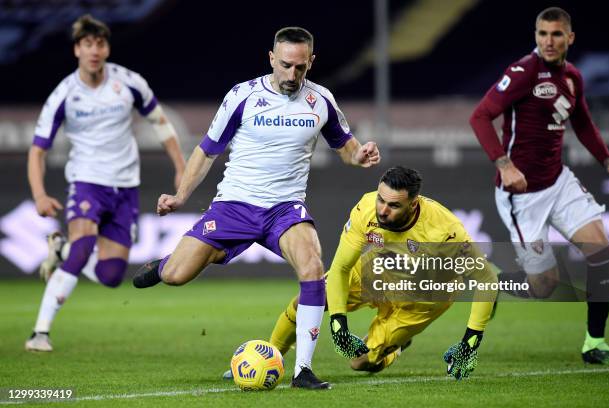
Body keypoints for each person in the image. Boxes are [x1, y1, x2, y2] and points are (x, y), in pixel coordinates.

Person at [132, 27, 380, 389]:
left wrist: (360, 155)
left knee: (313, 267)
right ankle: (167, 265)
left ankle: (303, 371)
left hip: (285, 209)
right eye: (285, 65)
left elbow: (346, 146)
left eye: (300, 67)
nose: (292, 75)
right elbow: (207, 150)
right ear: (271, 59)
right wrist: (181, 196)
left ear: (311, 62)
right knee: (176, 276)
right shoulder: (243, 96)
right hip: (234, 205)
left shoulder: (321, 100)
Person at [223, 166, 497, 380]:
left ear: (413, 205)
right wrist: (338, 323)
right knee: (308, 300)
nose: (382, 210)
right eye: (381, 199)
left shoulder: (445, 232)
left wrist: (470, 342)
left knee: (361, 363)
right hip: (378, 270)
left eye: (393, 205)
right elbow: (341, 268)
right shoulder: (366, 208)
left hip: (422, 296)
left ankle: (396, 346)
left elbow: (486, 280)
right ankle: (267, 357)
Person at [25, 14, 186, 352]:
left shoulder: (129, 83)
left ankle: (62, 249)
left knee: (111, 275)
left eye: (100, 44)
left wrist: (180, 166)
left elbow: (161, 124)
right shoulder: (65, 94)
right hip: (86, 182)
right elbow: (38, 150)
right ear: (77, 50)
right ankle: (40, 332)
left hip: (125, 187)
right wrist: (39, 195)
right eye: (87, 44)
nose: (94, 50)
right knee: (83, 249)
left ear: (107, 48)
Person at [470, 7, 609, 365]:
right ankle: (496, 283)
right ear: (535, 35)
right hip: (522, 196)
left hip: (558, 182)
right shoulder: (523, 72)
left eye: (556, 34)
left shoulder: (573, 78)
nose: (549, 41)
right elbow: (480, 116)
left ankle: (594, 343)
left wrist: (607, 159)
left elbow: (583, 125)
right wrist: (504, 164)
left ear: (570, 38)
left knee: (603, 255)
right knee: (543, 285)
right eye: (542, 34)